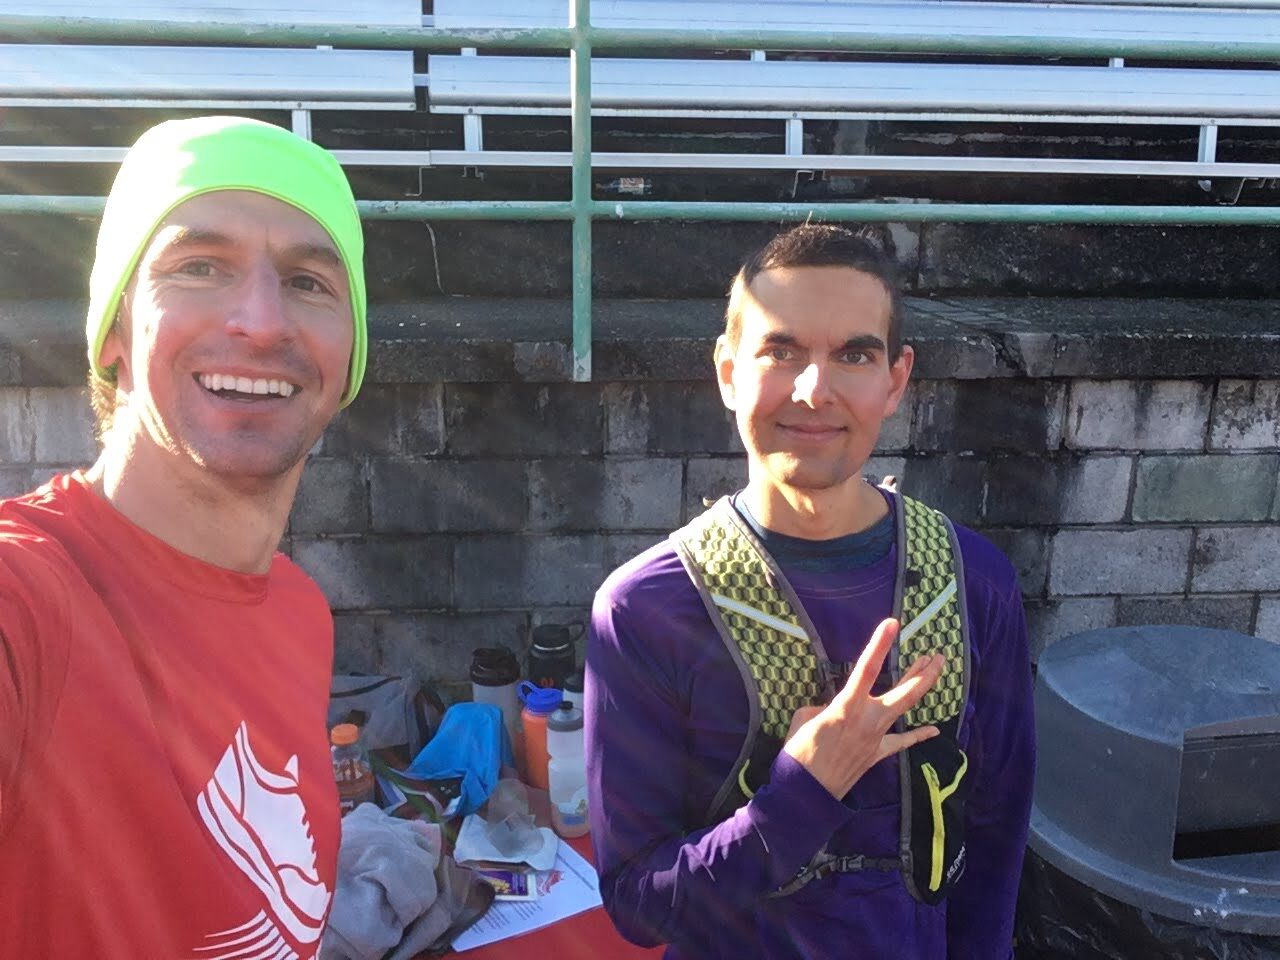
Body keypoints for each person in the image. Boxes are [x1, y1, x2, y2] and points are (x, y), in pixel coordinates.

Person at [586, 224, 1034, 960]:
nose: (814, 390)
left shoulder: (972, 582)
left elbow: (994, 834)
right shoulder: (647, 609)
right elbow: (639, 902)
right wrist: (802, 792)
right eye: (781, 350)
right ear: (728, 372)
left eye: (854, 354)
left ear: (896, 379)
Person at [0, 116, 368, 958]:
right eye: (198, 266)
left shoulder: (299, 613)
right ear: (114, 329)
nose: (263, 321)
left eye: (309, 281)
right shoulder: (32, 603)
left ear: (350, 361)